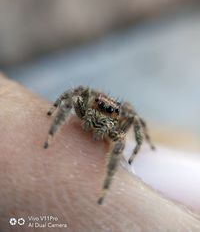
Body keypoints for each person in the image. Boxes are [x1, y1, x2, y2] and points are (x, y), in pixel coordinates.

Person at [0, 74, 199, 232]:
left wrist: (138, 147)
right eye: (100, 106)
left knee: (125, 136)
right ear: (95, 103)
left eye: (109, 112)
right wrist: (53, 113)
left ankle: (106, 187)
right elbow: (72, 95)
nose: (101, 114)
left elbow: (136, 123)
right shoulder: (86, 106)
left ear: (116, 116)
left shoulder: (118, 127)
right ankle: (51, 136)